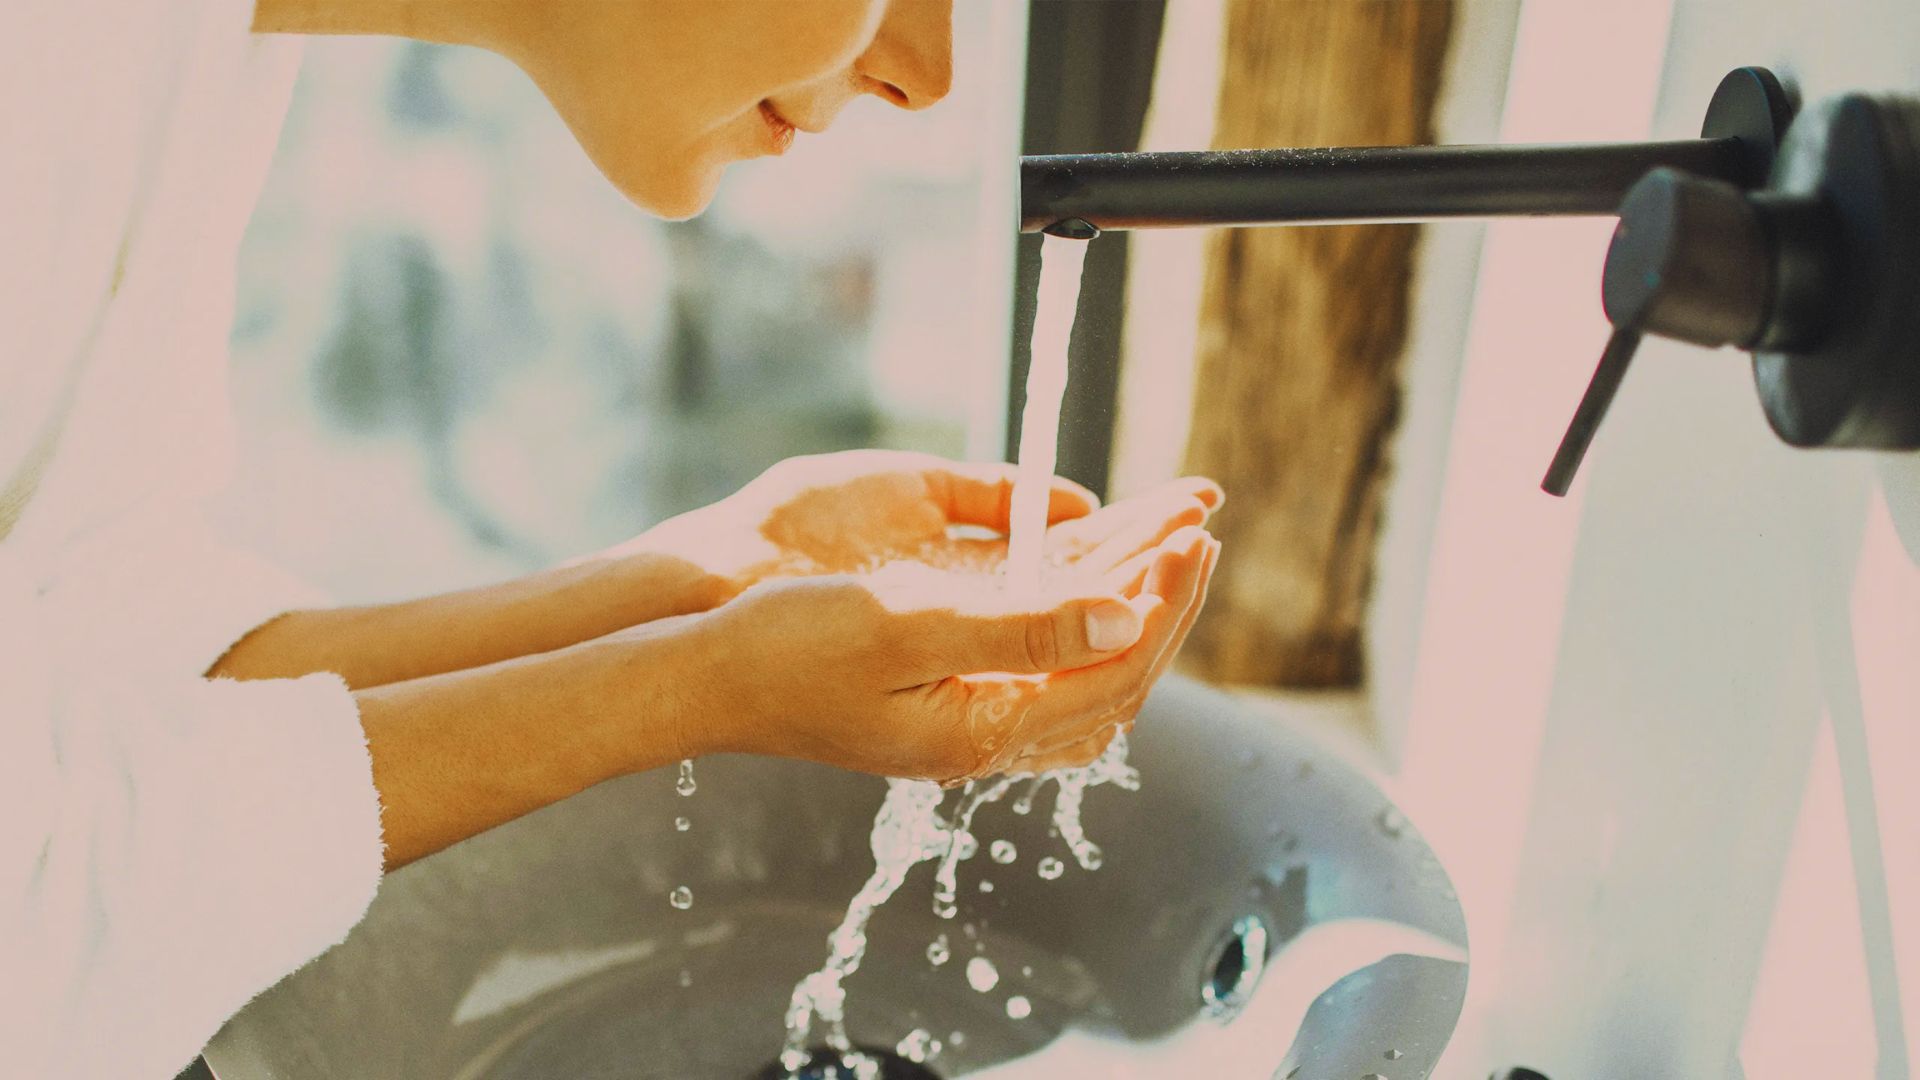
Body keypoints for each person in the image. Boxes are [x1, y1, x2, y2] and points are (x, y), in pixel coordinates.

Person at [0, 2, 1221, 1076]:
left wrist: (688, 585)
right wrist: (693, 687)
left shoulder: (174, 47)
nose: (930, 70)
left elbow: (93, 637)